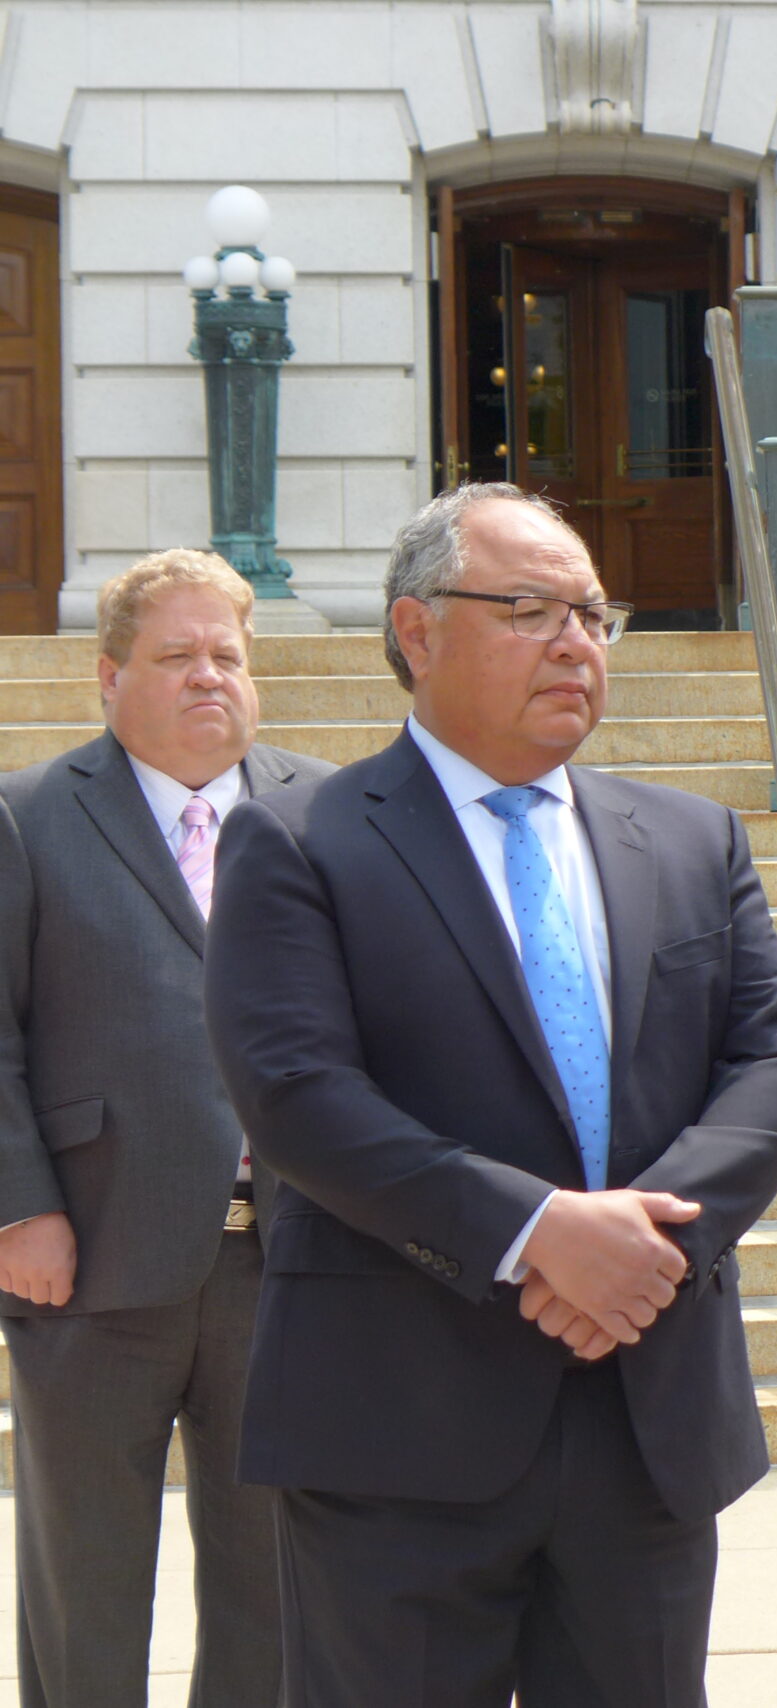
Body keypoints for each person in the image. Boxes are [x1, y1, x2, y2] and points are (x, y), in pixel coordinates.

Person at [202, 484, 777, 1706]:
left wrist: (636, 1241)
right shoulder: (300, 840)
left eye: (594, 614)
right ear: (415, 632)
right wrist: (537, 1233)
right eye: (529, 608)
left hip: (644, 1416)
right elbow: (297, 1093)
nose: (575, 643)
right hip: (399, 1427)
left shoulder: (693, 839)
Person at [0, 550, 330, 1708]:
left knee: (274, 1585)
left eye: (228, 656)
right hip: (89, 1260)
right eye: (176, 655)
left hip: (287, 1264)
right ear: (107, 676)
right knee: (84, 1579)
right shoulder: (28, 815)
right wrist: (19, 1207)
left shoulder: (324, 812)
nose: (208, 677)